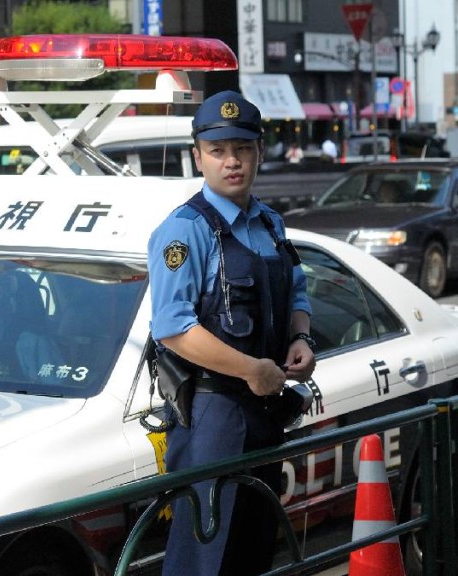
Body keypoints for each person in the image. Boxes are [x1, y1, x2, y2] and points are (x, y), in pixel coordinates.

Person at [146, 90, 316, 575]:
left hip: (265, 411)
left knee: (253, 551)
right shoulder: (185, 231)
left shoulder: (271, 223)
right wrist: (252, 369)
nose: (232, 161)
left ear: (259, 152)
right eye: (218, 151)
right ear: (198, 156)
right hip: (211, 414)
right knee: (203, 558)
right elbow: (174, 329)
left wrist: (301, 339)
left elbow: (297, 296)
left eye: (242, 149)